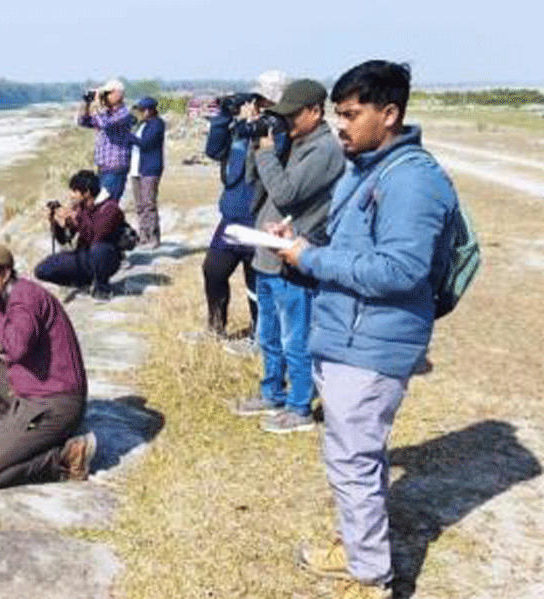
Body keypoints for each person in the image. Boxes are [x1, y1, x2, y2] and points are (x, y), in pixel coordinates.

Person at [274, 61, 458, 599]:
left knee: (353, 460)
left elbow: (402, 270)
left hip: (373, 344)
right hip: (348, 335)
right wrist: (296, 240)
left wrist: (310, 260)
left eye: (352, 115)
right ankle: (358, 550)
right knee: (354, 456)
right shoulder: (367, 167)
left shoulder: (412, 180)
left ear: (391, 113)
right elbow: (350, 245)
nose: (341, 126)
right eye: (338, 115)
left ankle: (371, 577)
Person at [235, 79, 345, 434]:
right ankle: (272, 393)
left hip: (294, 258)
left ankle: (299, 406)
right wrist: (258, 143)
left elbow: (284, 194)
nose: (287, 123)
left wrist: (267, 151)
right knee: (268, 333)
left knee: (295, 338)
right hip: (268, 254)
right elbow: (254, 181)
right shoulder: (294, 142)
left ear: (315, 111)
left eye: (292, 116)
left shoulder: (325, 150)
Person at [0, 241, 96, 490]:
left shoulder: (25, 298)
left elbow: (16, 347)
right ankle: (14, 439)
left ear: (3, 273)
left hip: (56, 402)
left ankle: (64, 459)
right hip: (31, 389)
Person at [181, 70, 288, 353]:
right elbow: (214, 151)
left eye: (264, 98)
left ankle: (260, 336)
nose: (258, 102)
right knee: (213, 271)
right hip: (231, 216)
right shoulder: (243, 128)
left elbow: (273, 162)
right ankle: (216, 329)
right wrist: (224, 117)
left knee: (256, 281)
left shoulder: (281, 129)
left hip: (260, 217)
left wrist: (261, 128)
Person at [34, 169, 126, 301]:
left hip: (106, 257)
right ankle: (83, 283)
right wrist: (56, 223)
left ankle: (102, 287)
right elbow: (64, 240)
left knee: (98, 249)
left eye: (74, 191)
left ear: (87, 192)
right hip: (83, 258)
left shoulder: (111, 208)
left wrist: (76, 218)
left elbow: (96, 235)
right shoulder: (80, 208)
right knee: (43, 269)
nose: (71, 195)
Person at [78, 78, 136, 201]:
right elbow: (83, 121)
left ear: (118, 94)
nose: (105, 96)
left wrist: (98, 103)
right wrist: (87, 103)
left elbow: (105, 124)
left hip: (115, 169)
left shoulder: (123, 114)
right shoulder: (107, 113)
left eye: (108, 93)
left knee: (107, 207)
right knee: (100, 207)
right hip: (103, 168)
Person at [129, 96, 165, 248]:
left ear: (149, 110)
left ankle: (153, 237)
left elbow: (146, 144)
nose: (140, 113)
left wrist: (128, 135)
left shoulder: (157, 124)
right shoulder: (142, 124)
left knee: (149, 203)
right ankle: (143, 235)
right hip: (136, 168)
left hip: (150, 168)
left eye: (142, 110)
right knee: (139, 205)